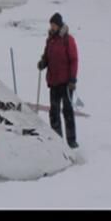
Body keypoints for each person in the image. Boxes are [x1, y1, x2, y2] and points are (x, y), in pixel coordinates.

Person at [37, 12, 79, 148]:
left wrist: (73, 79)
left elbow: (74, 60)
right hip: (53, 82)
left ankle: (71, 141)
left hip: (66, 82)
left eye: (54, 24)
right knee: (54, 112)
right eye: (51, 25)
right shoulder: (50, 40)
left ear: (59, 25)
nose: (52, 27)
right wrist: (43, 63)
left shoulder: (68, 40)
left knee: (67, 111)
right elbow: (47, 56)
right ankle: (57, 140)